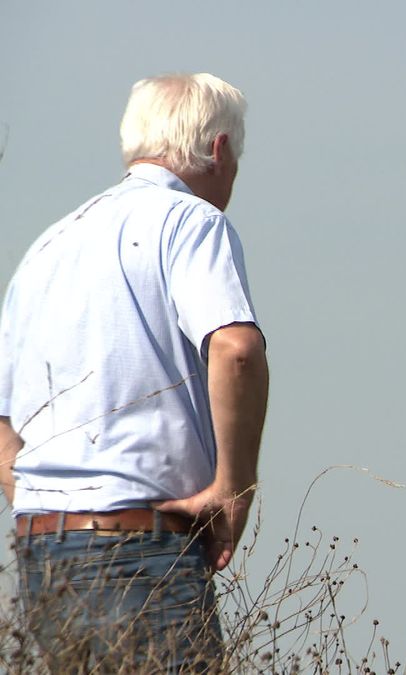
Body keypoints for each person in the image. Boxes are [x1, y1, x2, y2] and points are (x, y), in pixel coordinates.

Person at [0, 73, 269, 672]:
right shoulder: (192, 222)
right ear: (220, 149)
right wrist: (233, 489)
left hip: (43, 555)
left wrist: (52, 505)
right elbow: (237, 350)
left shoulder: (48, 246)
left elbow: (2, 423)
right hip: (141, 546)